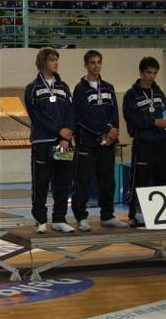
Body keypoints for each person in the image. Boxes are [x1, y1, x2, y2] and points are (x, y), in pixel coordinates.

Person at [71, 51, 128, 231]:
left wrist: (113, 133)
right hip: (87, 143)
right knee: (83, 181)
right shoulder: (80, 89)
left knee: (108, 180)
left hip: (107, 143)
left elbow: (114, 113)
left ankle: (107, 215)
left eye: (99, 63)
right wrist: (104, 130)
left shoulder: (109, 87)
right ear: (86, 65)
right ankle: (81, 217)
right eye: (92, 63)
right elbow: (84, 116)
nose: (96, 66)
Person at [24, 47, 76, 233]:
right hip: (42, 142)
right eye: (52, 60)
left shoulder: (63, 87)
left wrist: (67, 134)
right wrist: (58, 130)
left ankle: (59, 218)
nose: (55, 63)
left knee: (63, 181)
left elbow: (71, 111)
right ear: (43, 62)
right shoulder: (33, 88)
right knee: (41, 182)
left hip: (63, 143)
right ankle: (40, 220)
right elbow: (37, 116)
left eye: (56, 60)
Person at [122, 56, 166, 227]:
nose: (151, 77)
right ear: (141, 72)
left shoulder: (159, 93)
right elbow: (131, 118)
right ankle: (133, 214)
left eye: (155, 73)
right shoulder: (131, 95)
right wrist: (152, 121)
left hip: (161, 144)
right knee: (139, 180)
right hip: (143, 144)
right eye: (148, 73)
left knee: (161, 179)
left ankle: (157, 216)